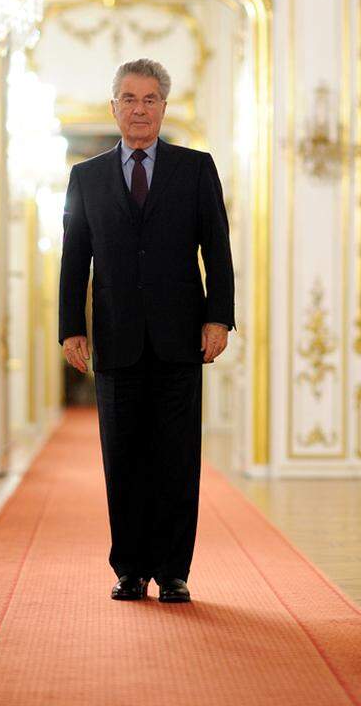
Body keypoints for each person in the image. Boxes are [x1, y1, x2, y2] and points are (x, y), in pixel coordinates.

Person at [58, 58, 235, 603]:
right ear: (113, 107)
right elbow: (74, 260)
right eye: (129, 99)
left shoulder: (196, 168)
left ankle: (173, 571)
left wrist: (218, 317)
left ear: (164, 107)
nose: (139, 109)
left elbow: (217, 251)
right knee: (124, 457)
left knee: (177, 458)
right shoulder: (85, 178)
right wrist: (71, 329)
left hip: (181, 337)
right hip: (116, 340)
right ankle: (130, 568)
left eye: (150, 99)